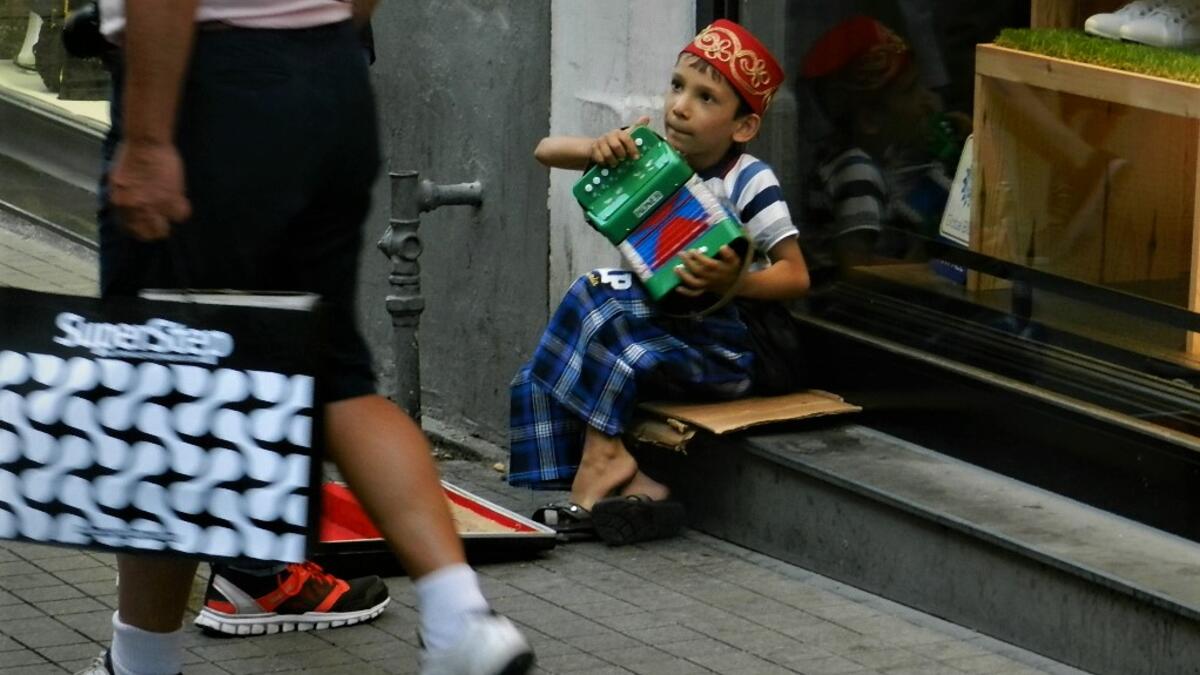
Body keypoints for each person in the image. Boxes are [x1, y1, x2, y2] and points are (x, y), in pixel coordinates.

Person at [78, 1, 534, 674]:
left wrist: (148, 140)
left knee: (162, 381)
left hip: (208, 84)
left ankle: (142, 661)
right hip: (329, 78)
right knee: (333, 376)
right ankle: (460, 615)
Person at [508, 19, 811, 545]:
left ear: (743, 126)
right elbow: (544, 151)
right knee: (587, 304)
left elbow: (796, 275)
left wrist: (732, 284)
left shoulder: (749, 179)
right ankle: (632, 482)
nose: (680, 107)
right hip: (666, 334)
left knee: (607, 305)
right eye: (677, 86)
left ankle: (604, 461)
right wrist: (598, 147)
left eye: (706, 98)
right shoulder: (649, 155)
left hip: (732, 351)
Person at [799, 15, 968, 284]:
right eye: (911, 90)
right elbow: (854, 267)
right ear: (870, 119)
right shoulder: (857, 170)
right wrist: (940, 278)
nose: (928, 100)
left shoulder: (866, 155)